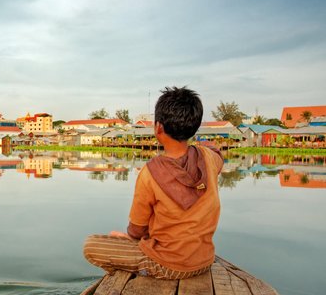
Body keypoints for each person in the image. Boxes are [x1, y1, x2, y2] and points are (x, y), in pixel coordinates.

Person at [84, 86, 224, 280]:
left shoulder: (150, 173)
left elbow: (137, 230)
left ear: (158, 128)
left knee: (91, 245)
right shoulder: (209, 159)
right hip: (204, 261)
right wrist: (203, 147)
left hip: (168, 265)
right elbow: (217, 152)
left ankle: (143, 270)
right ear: (194, 127)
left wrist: (129, 240)